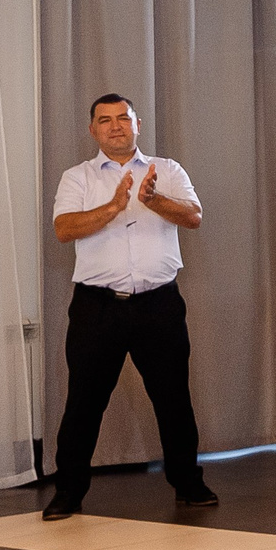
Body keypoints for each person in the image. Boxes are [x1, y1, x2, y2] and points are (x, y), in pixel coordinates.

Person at [44, 94, 212, 519]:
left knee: (173, 398)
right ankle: (68, 493)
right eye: (106, 120)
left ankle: (188, 483)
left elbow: (193, 216)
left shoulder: (167, 170)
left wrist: (152, 200)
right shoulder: (77, 177)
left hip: (159, 304)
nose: (116, 126)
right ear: (93, 130)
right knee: (83, 402)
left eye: (123, 118)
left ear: (138, 124)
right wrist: (115, 206)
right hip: (97, 308)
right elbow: (65, 229)